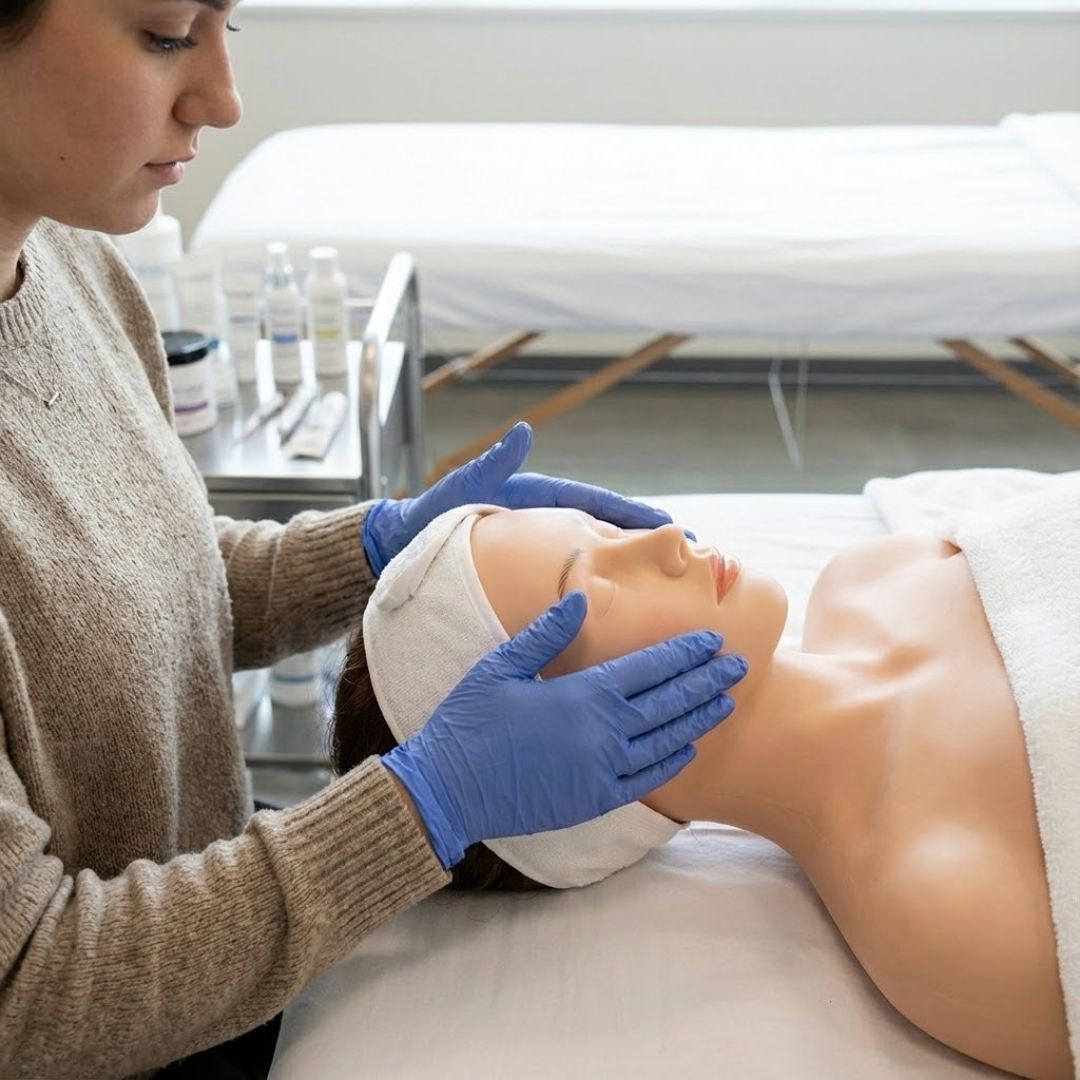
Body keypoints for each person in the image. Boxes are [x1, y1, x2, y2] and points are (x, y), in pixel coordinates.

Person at [0, 3, 750, 1076]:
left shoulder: (72, 267)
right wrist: (428, 802)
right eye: (166, 33)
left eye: (226, 27)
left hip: (217, 915)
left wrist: (380, 543)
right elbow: (25, 987)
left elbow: (129, 581)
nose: (222, 98)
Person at [330, 503, 1075, 1080]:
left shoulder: (877, 574)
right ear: (572, 777)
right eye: (592, 587)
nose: (660, 540)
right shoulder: (941, 905)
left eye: (600, 523)